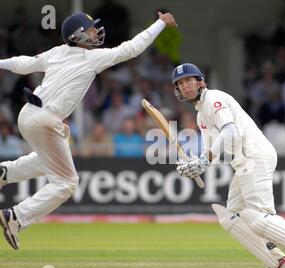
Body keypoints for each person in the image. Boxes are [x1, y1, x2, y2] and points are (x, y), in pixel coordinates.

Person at [0, 11, 178, 250]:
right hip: (45, 118)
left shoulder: (56, 53)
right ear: (77, 35)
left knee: (52, 159)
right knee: (67, 183)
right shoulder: (91, 58)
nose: (96, 32)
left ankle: (5, 173)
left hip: (28, 115)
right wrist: (160, 23)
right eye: (91, 29)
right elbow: (132, 48)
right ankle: (16, 217)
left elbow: (24, 64)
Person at [172, 63, 285, 268]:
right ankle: (276, 262)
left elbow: (229, 130)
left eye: (189, 80)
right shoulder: (201, 115)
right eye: (180, 84)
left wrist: (204, 159)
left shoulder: (213, 99)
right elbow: (214, 151)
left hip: (254, 155)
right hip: (243, 161)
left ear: (200, 82)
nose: (186, 86)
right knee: (232, 215)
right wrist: (195, 164)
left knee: (259, 216)